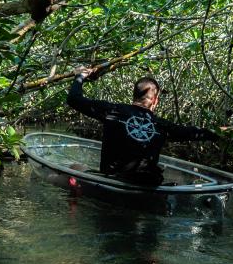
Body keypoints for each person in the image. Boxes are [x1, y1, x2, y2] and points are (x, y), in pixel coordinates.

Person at [67, 68, 219, 186]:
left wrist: (80, 76)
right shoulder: (162, 125)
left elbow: (74, 99)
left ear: (134, 95)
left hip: (112, 180)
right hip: (147, 182)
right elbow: (194, 133)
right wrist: (221, 132)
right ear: (155, 101)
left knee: (75, 167)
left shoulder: (112, 110)